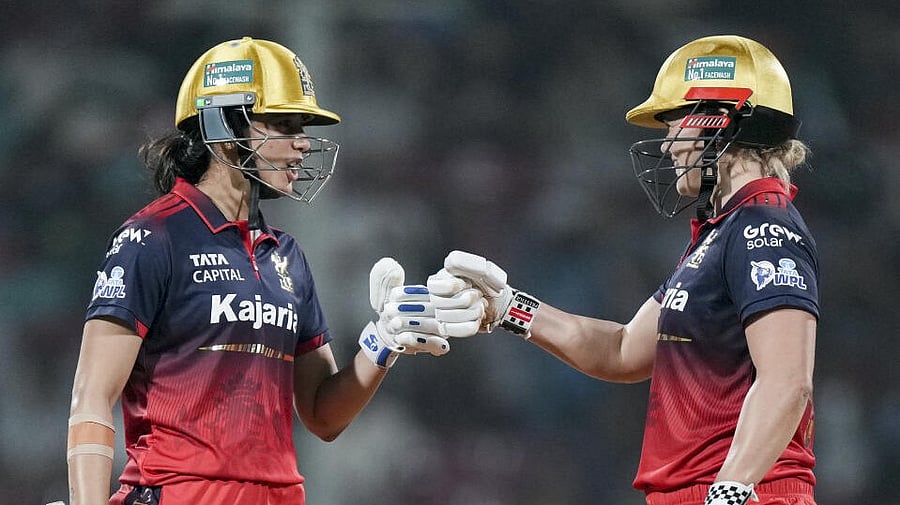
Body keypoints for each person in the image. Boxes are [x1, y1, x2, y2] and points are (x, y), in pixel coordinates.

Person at [66, 37, 478, 505]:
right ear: (223, 124)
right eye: (284, 124)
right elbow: (91, 396)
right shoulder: (153, 237)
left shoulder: (287, 255)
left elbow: (322, 416)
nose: (303, 143)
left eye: (302, 127)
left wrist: (382, 341)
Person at [428, 35, 819, 505]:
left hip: (746, 492)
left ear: (723, 121)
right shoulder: (722, 233)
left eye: (675, 123)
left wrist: (729, 493)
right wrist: (510, 307)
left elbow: (787, 380)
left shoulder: (763, 226)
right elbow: (621, 351)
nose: (669, 144)